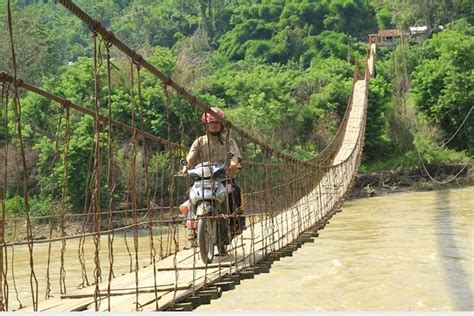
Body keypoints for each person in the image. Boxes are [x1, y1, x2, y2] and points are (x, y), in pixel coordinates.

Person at [180, 107, 245, 240]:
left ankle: (235, 223)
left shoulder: (228, 142)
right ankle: (192, 225)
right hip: (203, 180)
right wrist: (186, 167)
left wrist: (233, 163)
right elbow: (191, 157)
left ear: (222, 125)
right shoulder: (199, 142)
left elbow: (233, 156)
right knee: (190, 192)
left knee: (234, 191)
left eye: (217, 123)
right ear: (206, 125)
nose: (214, 126)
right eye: (211, 123)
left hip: (223, 179)